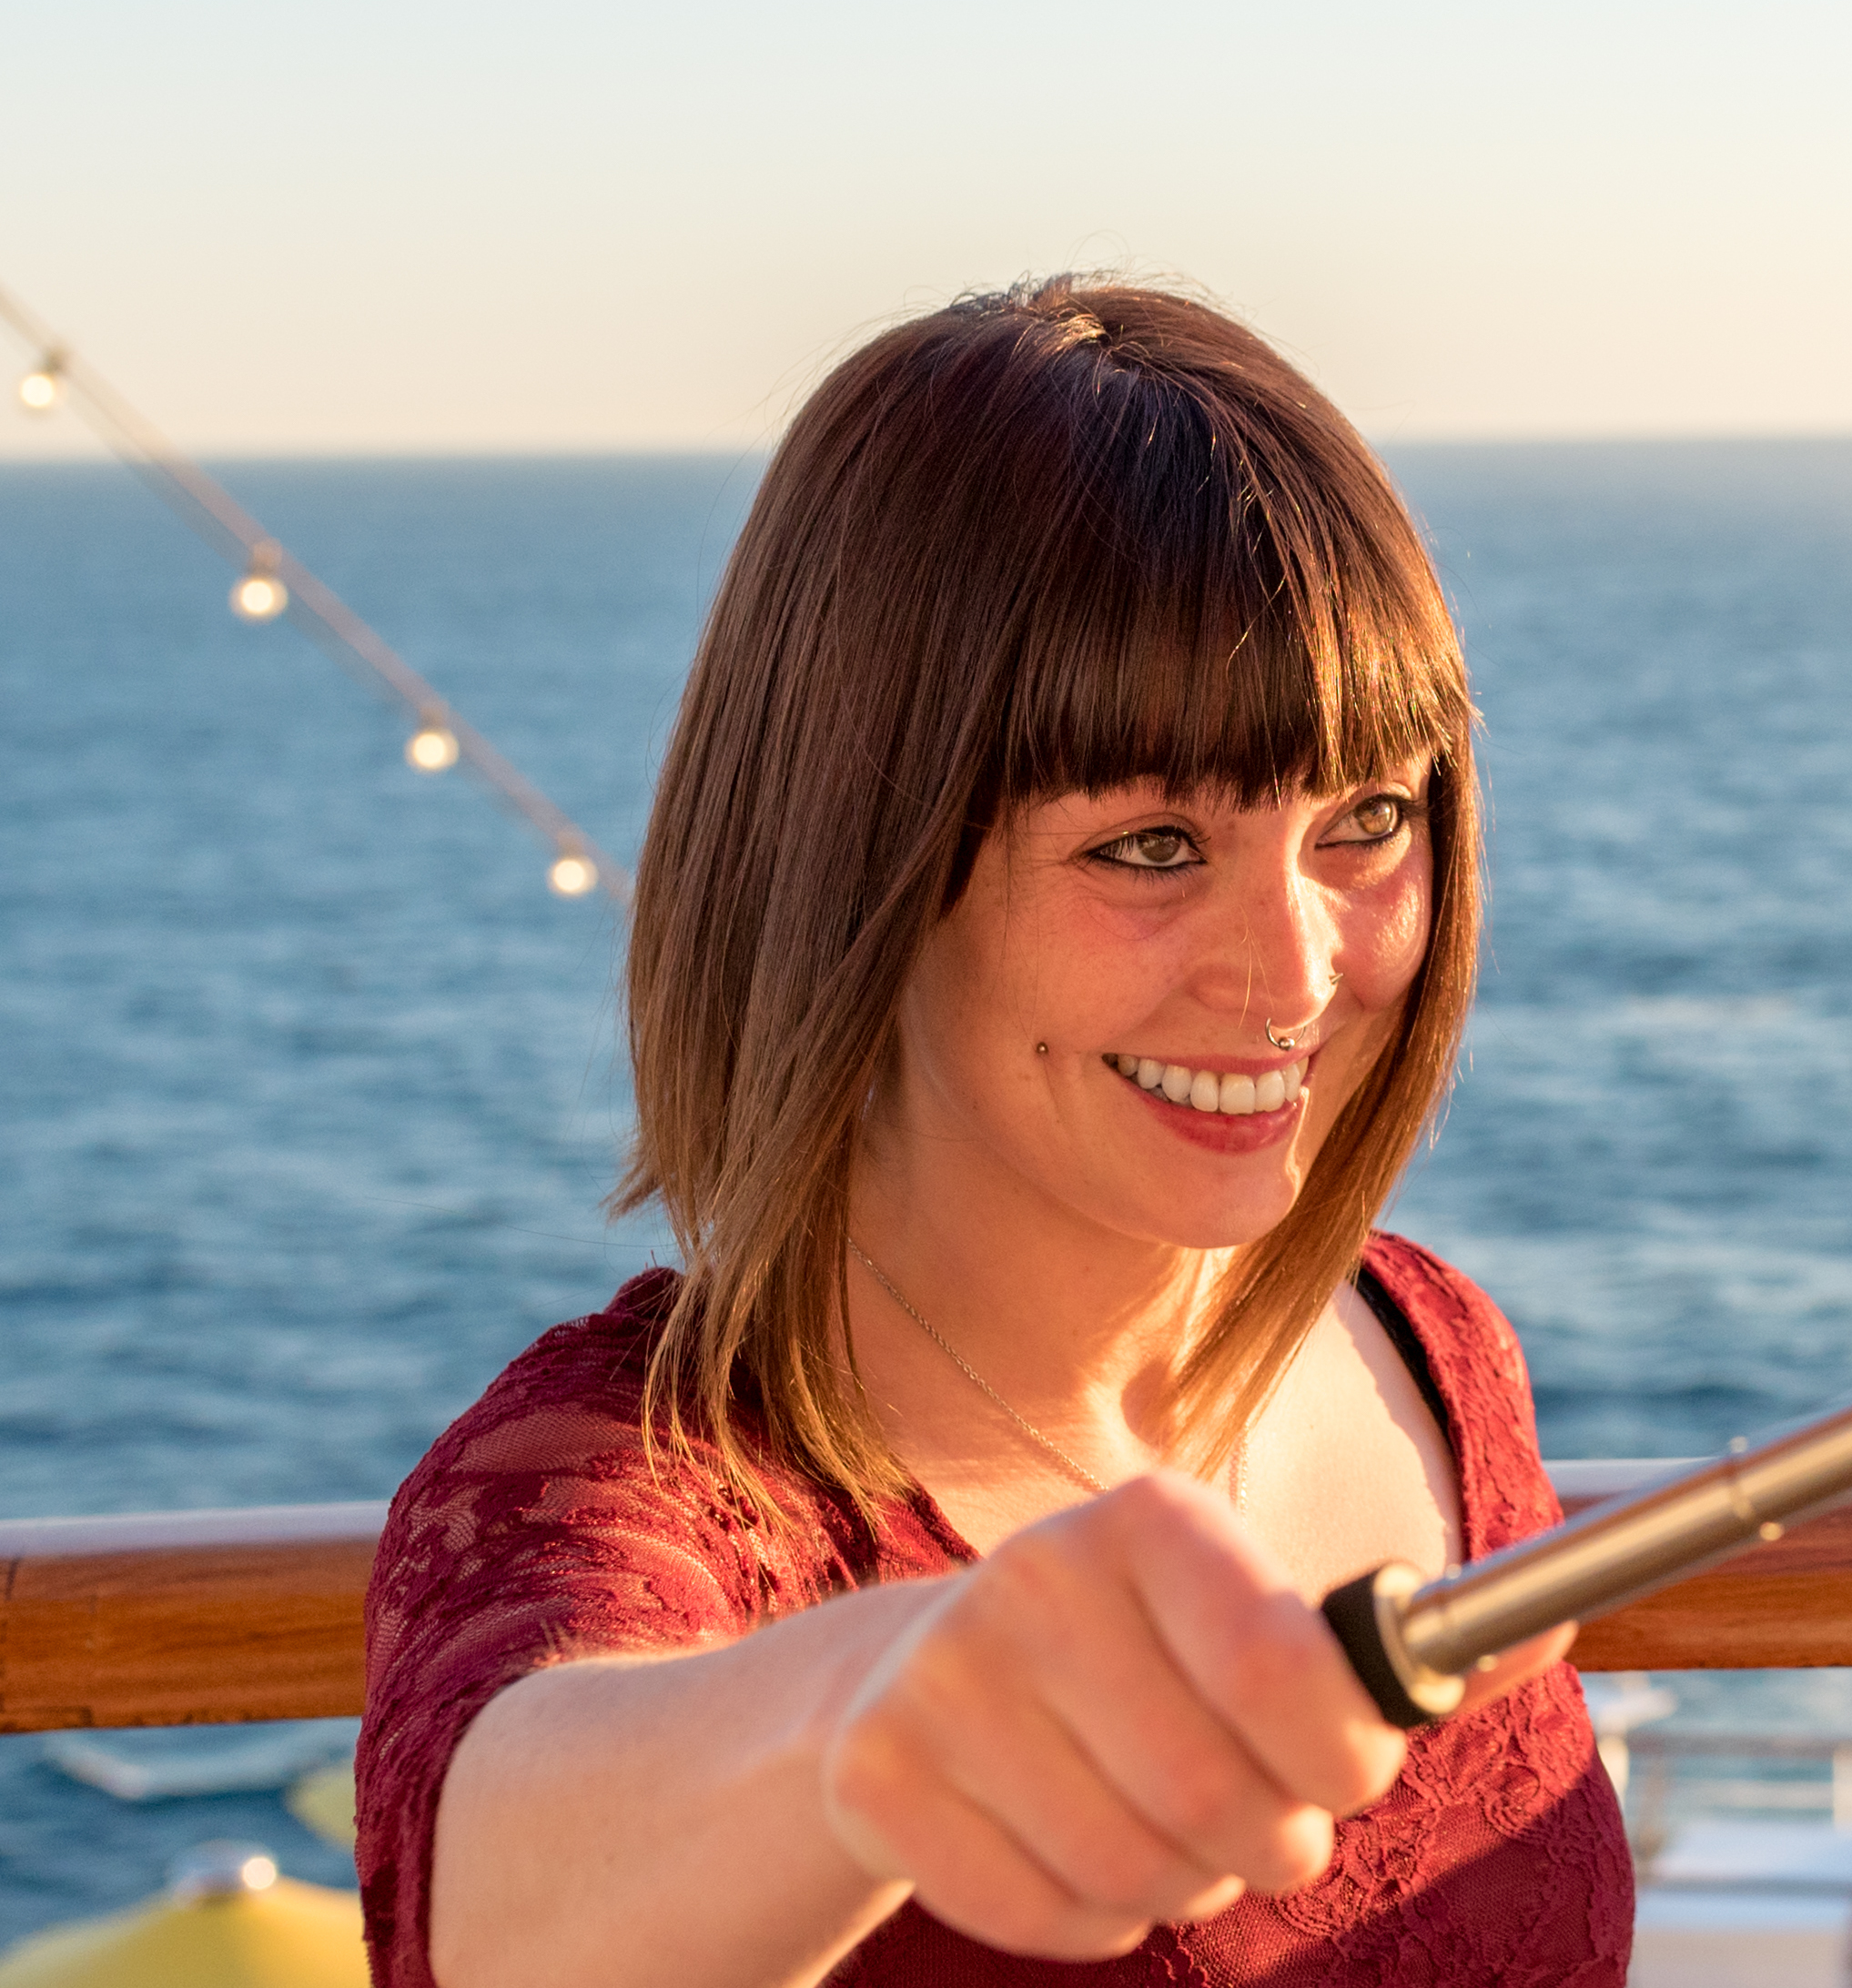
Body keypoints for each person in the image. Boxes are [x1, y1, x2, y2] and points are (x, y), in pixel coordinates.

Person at [352, 278, 1627, 1987]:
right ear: (861, 867)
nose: (1299, 971)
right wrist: (878, 1703)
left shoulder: (1435, 1344)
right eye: (1151, 844)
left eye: (1366, 817)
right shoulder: (629, 1491)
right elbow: (516, 1902)